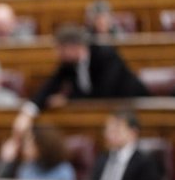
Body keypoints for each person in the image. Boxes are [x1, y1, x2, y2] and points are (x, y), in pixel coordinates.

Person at [13, 24, 149, 135]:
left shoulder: (106, 55)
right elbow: (50, 85)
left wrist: (69, 99)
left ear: (73, 47)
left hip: (134, 103)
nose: (57, 54)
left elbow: (103, 92)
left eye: (60, 49)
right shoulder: (68, 64)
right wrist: (28, 112)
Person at [90, 109, 162, 180]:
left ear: (133, 133)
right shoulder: (102, 158)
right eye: (108, 129)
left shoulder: (145, 163)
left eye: (116, 129)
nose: (109, 134)